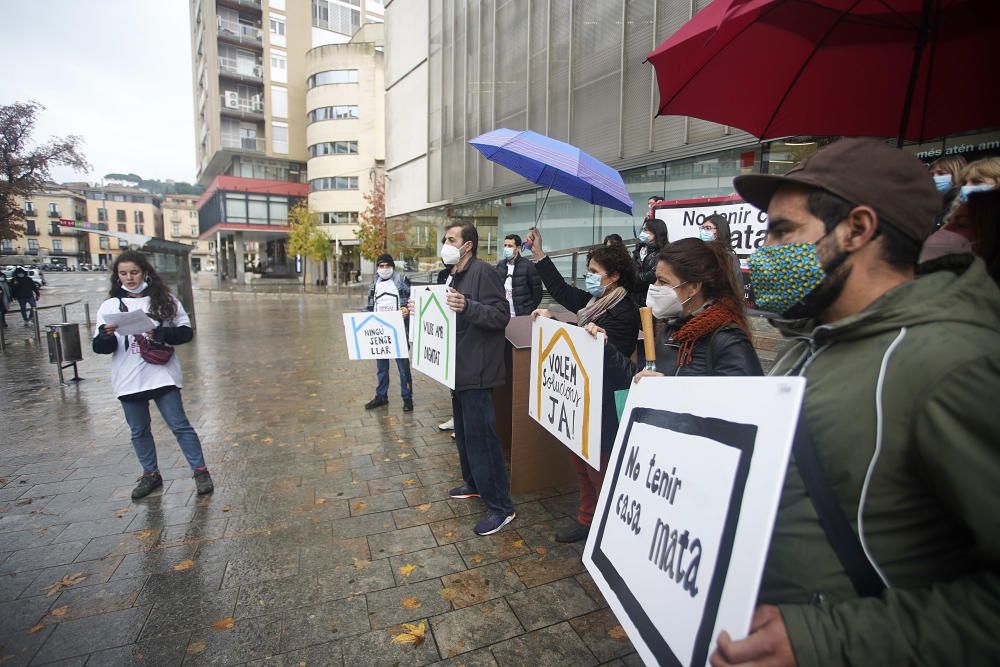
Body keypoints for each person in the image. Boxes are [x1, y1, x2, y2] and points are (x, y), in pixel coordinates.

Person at [704, 137, 1000, 666]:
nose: (763, 252)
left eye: (782, 231)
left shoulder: (955, 364)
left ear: (858, 229)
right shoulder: (814, 338)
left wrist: (825, 639)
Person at [525, 228, 640, 543]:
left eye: (593, 272)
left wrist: (569, 329)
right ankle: (586, 520)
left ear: (613, 276)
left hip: (604, 400)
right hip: (583, 396)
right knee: (580, 463)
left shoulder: (624, 311)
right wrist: (539, 255)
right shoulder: (593, 301)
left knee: (599, 467)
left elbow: (605, 357)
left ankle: (609, 532)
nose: (588, 277)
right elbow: (561, 289)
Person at [92, 251, 214, 500]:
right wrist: (105, 336)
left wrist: (160, 332)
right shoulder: (110, 306)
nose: (129, 278)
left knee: (180, 425)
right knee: (139, 430)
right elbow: (101, 347)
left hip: (162, 374)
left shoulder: (164, 300)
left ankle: (200, 471)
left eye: (134, 272)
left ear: (145, 272)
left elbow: (185, 333)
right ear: (117, 276)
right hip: (128, 378)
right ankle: (150, 474)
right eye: (123, 273)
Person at [421, 221, 514, 536]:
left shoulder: (483, 273)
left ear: (468, 244)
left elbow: (501, 315)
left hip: (476, 370)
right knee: (463, 434)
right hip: (456, 369)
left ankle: (501, 507)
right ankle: (474, 483)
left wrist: (469, 306)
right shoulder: (452, 275)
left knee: (482, 440)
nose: (445, 244)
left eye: (451, 239)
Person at [599, 237, 761, 382]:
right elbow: (645, 379)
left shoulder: (728, 342)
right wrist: (604, 347)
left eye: (663, 281)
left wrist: (670, 393)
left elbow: (743, 408)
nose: (654, 287)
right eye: (655, 279)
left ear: (694, 287)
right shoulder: (670, 329)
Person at [364, 253, 413, 412]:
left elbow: (412, 302)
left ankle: (407, 398)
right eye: (381, 266)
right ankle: (381, 396)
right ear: (377, 267)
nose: (384, 269)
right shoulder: (374, 283)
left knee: (403, 367)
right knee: (381, 368)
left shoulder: (402, 280)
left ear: (392, 266)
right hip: (381, 332)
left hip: (399, 331)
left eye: (387, 266)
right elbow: (370, 307)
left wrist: (407, 311)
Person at [496, 234, 543, 317]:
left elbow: (537, 293)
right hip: (503, 316)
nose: (506, 248)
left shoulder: (528, 266)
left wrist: (528, 310)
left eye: (510, 246)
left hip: (522, 316)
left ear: (518, 248)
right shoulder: (500, 266)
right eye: (505, 245)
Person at [631, 218, 670, 306]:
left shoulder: (664, 252)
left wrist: (632, 278)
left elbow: (653, 275)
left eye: (645, 230)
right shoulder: (639, 249)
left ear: (656, 232)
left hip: (652, 299)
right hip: (635, 298)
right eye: (642, 230)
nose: (642, 233)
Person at [700, 213, 743, 291]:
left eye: (708, 228)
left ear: (720, 231)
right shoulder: (699, 253)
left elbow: (737, 287)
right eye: (702, 228)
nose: (703, 231)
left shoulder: (728, 257)